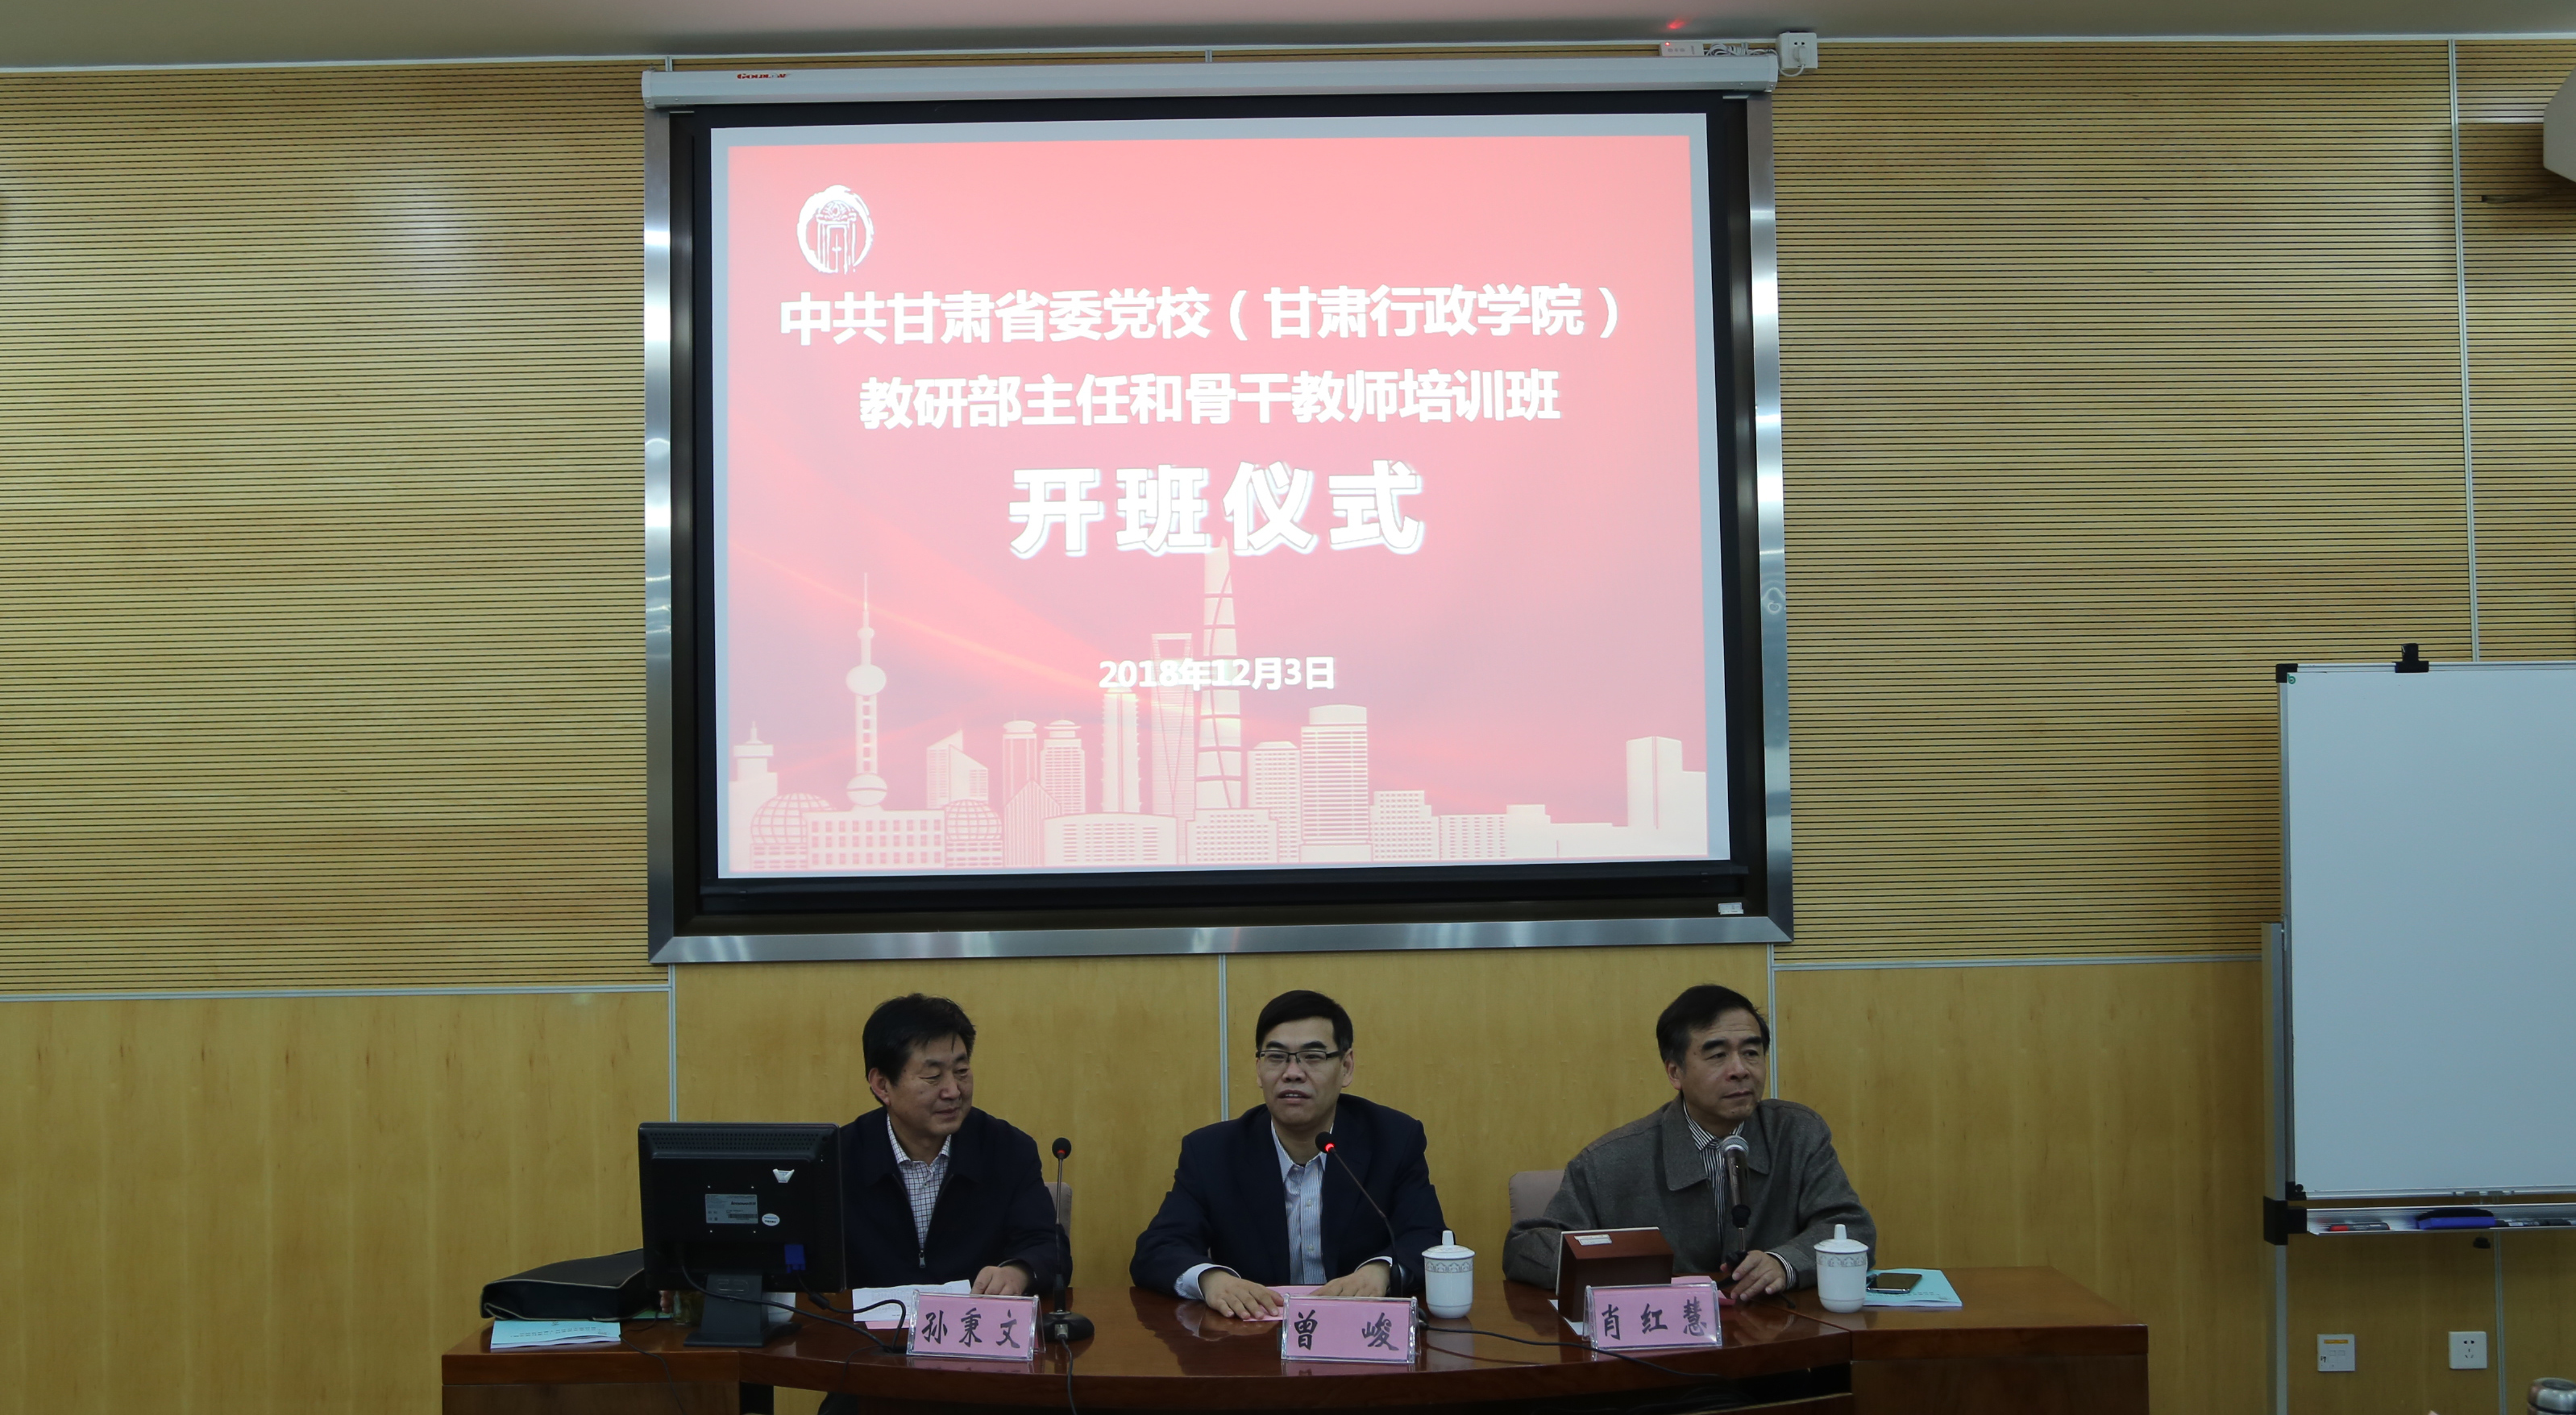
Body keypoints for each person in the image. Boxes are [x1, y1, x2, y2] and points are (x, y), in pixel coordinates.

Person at [1502, 984, 1873, 1302]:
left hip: (1777, 1339)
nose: (1740, 1070)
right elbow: (1526, 1249)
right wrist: (1624, 1269)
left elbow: (1850, 1227)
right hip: (1664, 1346)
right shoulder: (1611, 1161)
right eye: (1717, 1055)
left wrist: (1785, 1263)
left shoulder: (1797, 1134)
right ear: (1675, 1072)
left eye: (1751, 1052)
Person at [1132, 990, 1448, 1318]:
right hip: (1253, 1333)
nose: (1293, 1072)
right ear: (1259, 1069)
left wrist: (1380, 1272)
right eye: (1276, 1056)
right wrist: (1211, 1280)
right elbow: (1158, 1248)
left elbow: (1427, 1235)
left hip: (1358, 1329)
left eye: (1313, 1056)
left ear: (1346, 1067)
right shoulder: (1211, 1152)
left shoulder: (1394, 1139)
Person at [834, 994, 1067, 1297]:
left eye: (961, 1071)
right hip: (862, 1324)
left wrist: (1018, 1272)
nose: (953, 1091)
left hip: (974, 1322)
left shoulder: (1008, 1149)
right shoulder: (838, 1158)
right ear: (882, 1085)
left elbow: (1047, 1247)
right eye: (933, 1076)